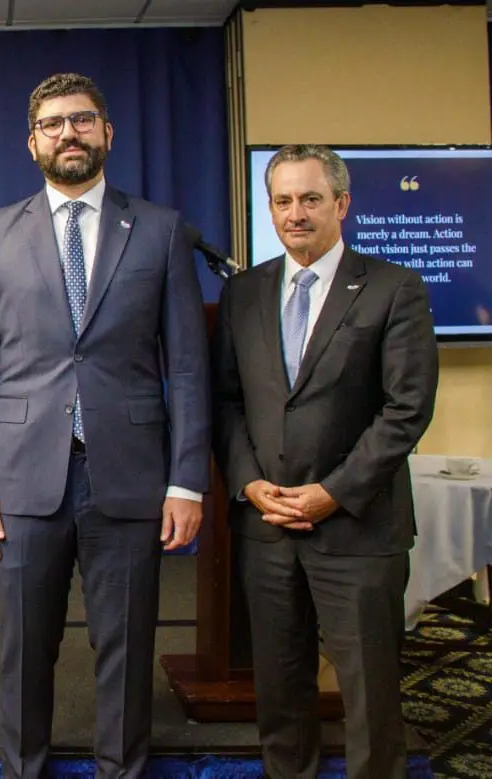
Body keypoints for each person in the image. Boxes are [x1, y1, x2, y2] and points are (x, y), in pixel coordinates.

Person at [0, 73, 211, 778]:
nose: (69, 133)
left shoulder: (160, 230)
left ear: (107, 134)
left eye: (83, 120)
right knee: (25, 650)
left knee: (125, 647)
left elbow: (186, 367)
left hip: (129, 478)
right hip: (22, 482)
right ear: (31, 141)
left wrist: (188, 479)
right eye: (54, 123)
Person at [212, 144, 439, 779]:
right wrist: (249, 482)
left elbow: (406, 410)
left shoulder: (395, 288)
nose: (296, 214)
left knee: (370, 699)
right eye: (282, 201)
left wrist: (332, 492)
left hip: (358, 528)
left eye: (310, 199)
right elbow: (226, 401)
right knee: (280, 696)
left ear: (341, 203)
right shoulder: (245, 294)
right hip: (266, 528)